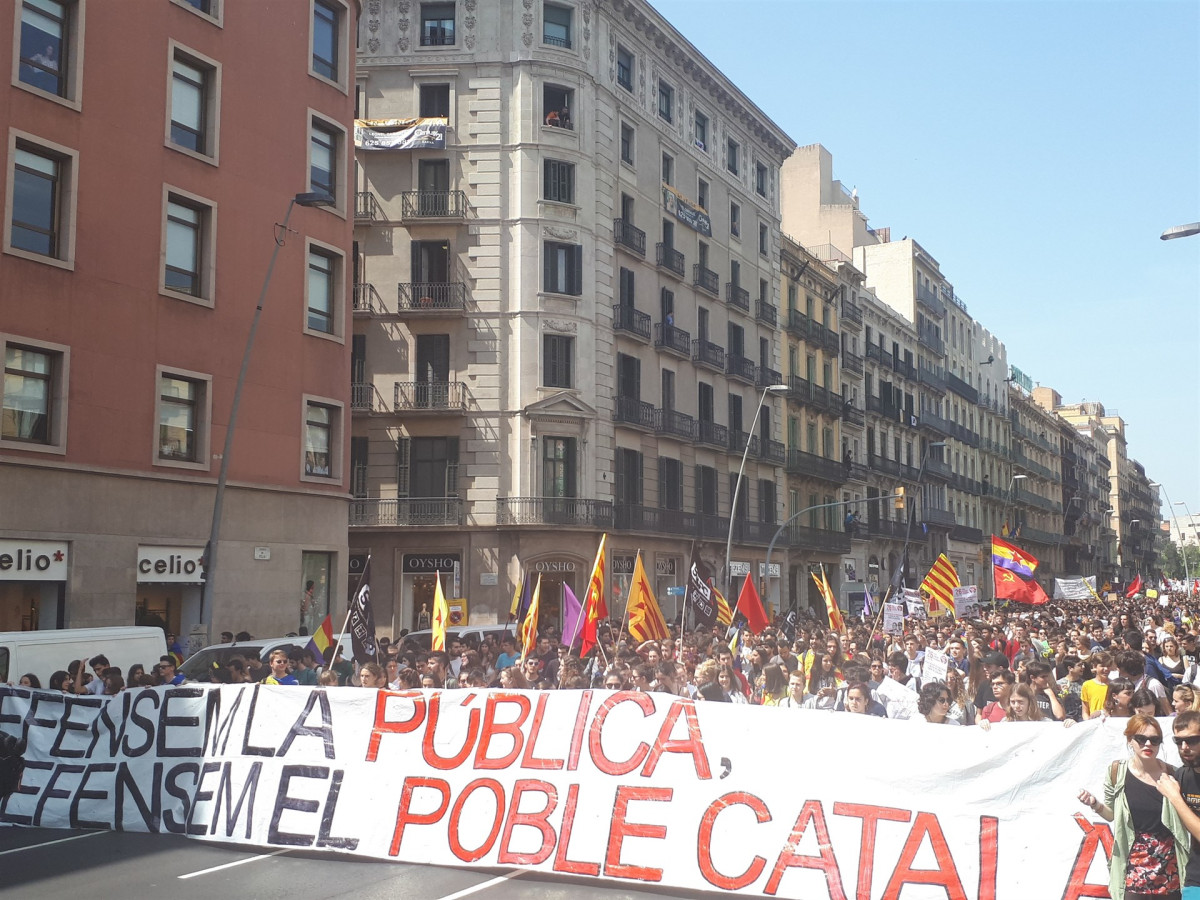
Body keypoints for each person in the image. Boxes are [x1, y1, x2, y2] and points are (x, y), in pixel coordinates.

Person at [1078, 714, 1189, 900]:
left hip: (1169, 868)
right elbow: (1111, 814)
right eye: (1141, 738)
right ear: (1130, 740)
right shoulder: (1116, 772)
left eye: (1154, 740)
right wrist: (1095, 804)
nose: (1148, 744)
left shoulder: (1173, 775)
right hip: (1132, 866)